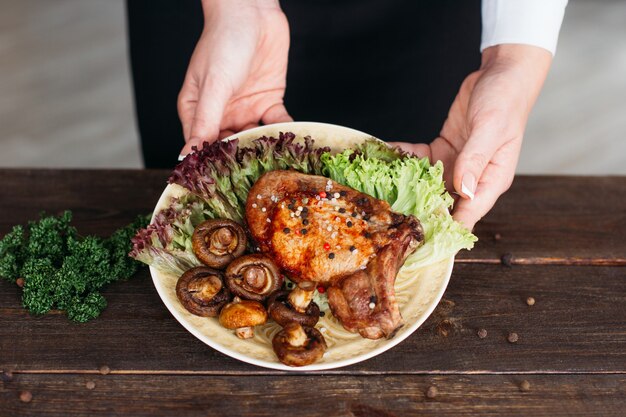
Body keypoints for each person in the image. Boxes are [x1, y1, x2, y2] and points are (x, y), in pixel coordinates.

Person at [127, 0, 567, 230]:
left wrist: (512, 58)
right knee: (200, 195)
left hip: (418, 25)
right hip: (221, 20)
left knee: (419, 191)